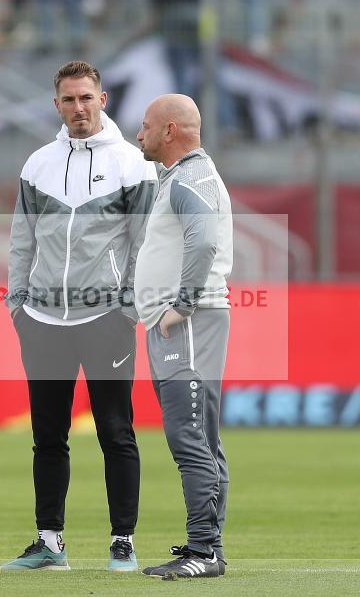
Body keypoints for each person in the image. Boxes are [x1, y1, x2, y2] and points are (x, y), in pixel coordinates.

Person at [0, 61, 157, 572]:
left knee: (115, 430)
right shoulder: (38, 164)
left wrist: (127, 307)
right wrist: (17, 304)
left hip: (105, 318)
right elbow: (22, 239)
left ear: (103, 99)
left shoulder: (134, 165)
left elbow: (146, 245)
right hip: (42, 321)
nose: (78, 108)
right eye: (69, 100)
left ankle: (123, 543)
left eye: (86, 98)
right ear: (57, 105)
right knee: (48, 435)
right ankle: (50, 543)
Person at [134, 94, 233, 578]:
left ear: (170, 131)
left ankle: (205, 550)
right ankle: (207, 546)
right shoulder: (181, 175)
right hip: (178, 323)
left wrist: (183, 303)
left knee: (188, 433)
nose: (139, 134)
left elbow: (205, 238)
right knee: (201, 436)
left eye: (147, 125)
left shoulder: (190, 176)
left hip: (190, 323)